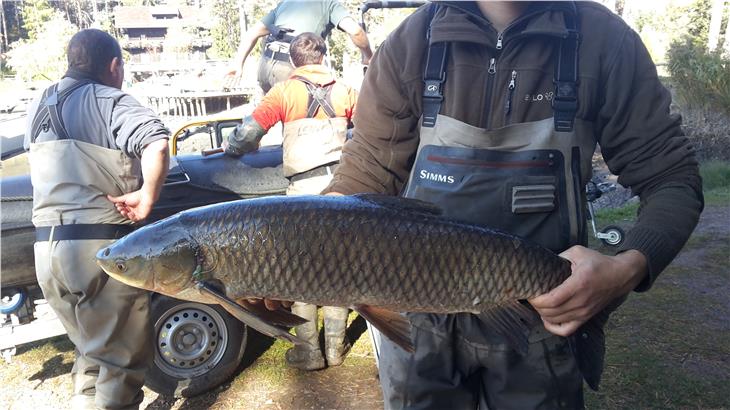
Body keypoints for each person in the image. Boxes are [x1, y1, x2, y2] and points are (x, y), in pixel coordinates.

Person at [321, 1, 704, 409]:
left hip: (541, 327)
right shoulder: (410, 42)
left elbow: (674, 179)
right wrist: (278, 248)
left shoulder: (605, 41)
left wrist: (627, 267)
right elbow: (364, 172)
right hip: (419, 327)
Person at [24, 29, 170, 409]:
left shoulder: (40, 105)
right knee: (120, 362)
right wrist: (147, 195)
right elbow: (155, 140)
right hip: (99, 248)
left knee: (91, 350)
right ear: (114, 66)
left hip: (49, 252)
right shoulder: (108, 99)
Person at [223, 32, 358, 371]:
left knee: (302, 272)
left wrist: (230, 147)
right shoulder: (345, 91)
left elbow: (249, 134)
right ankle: (336, 350)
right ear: (323, 56)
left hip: (302, 197)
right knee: (340, 269)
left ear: (294, 61)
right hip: (343, 191)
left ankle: (309, 353)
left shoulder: (284, 92)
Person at [227, 0, 373, 93]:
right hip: (291, 68)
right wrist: (369, 56)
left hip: (266, 68)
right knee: (305, 121)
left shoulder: (286, 3)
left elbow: (252, 33)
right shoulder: (329, 3)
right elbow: (356, 31)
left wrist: (237, 65)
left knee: (269, 116)